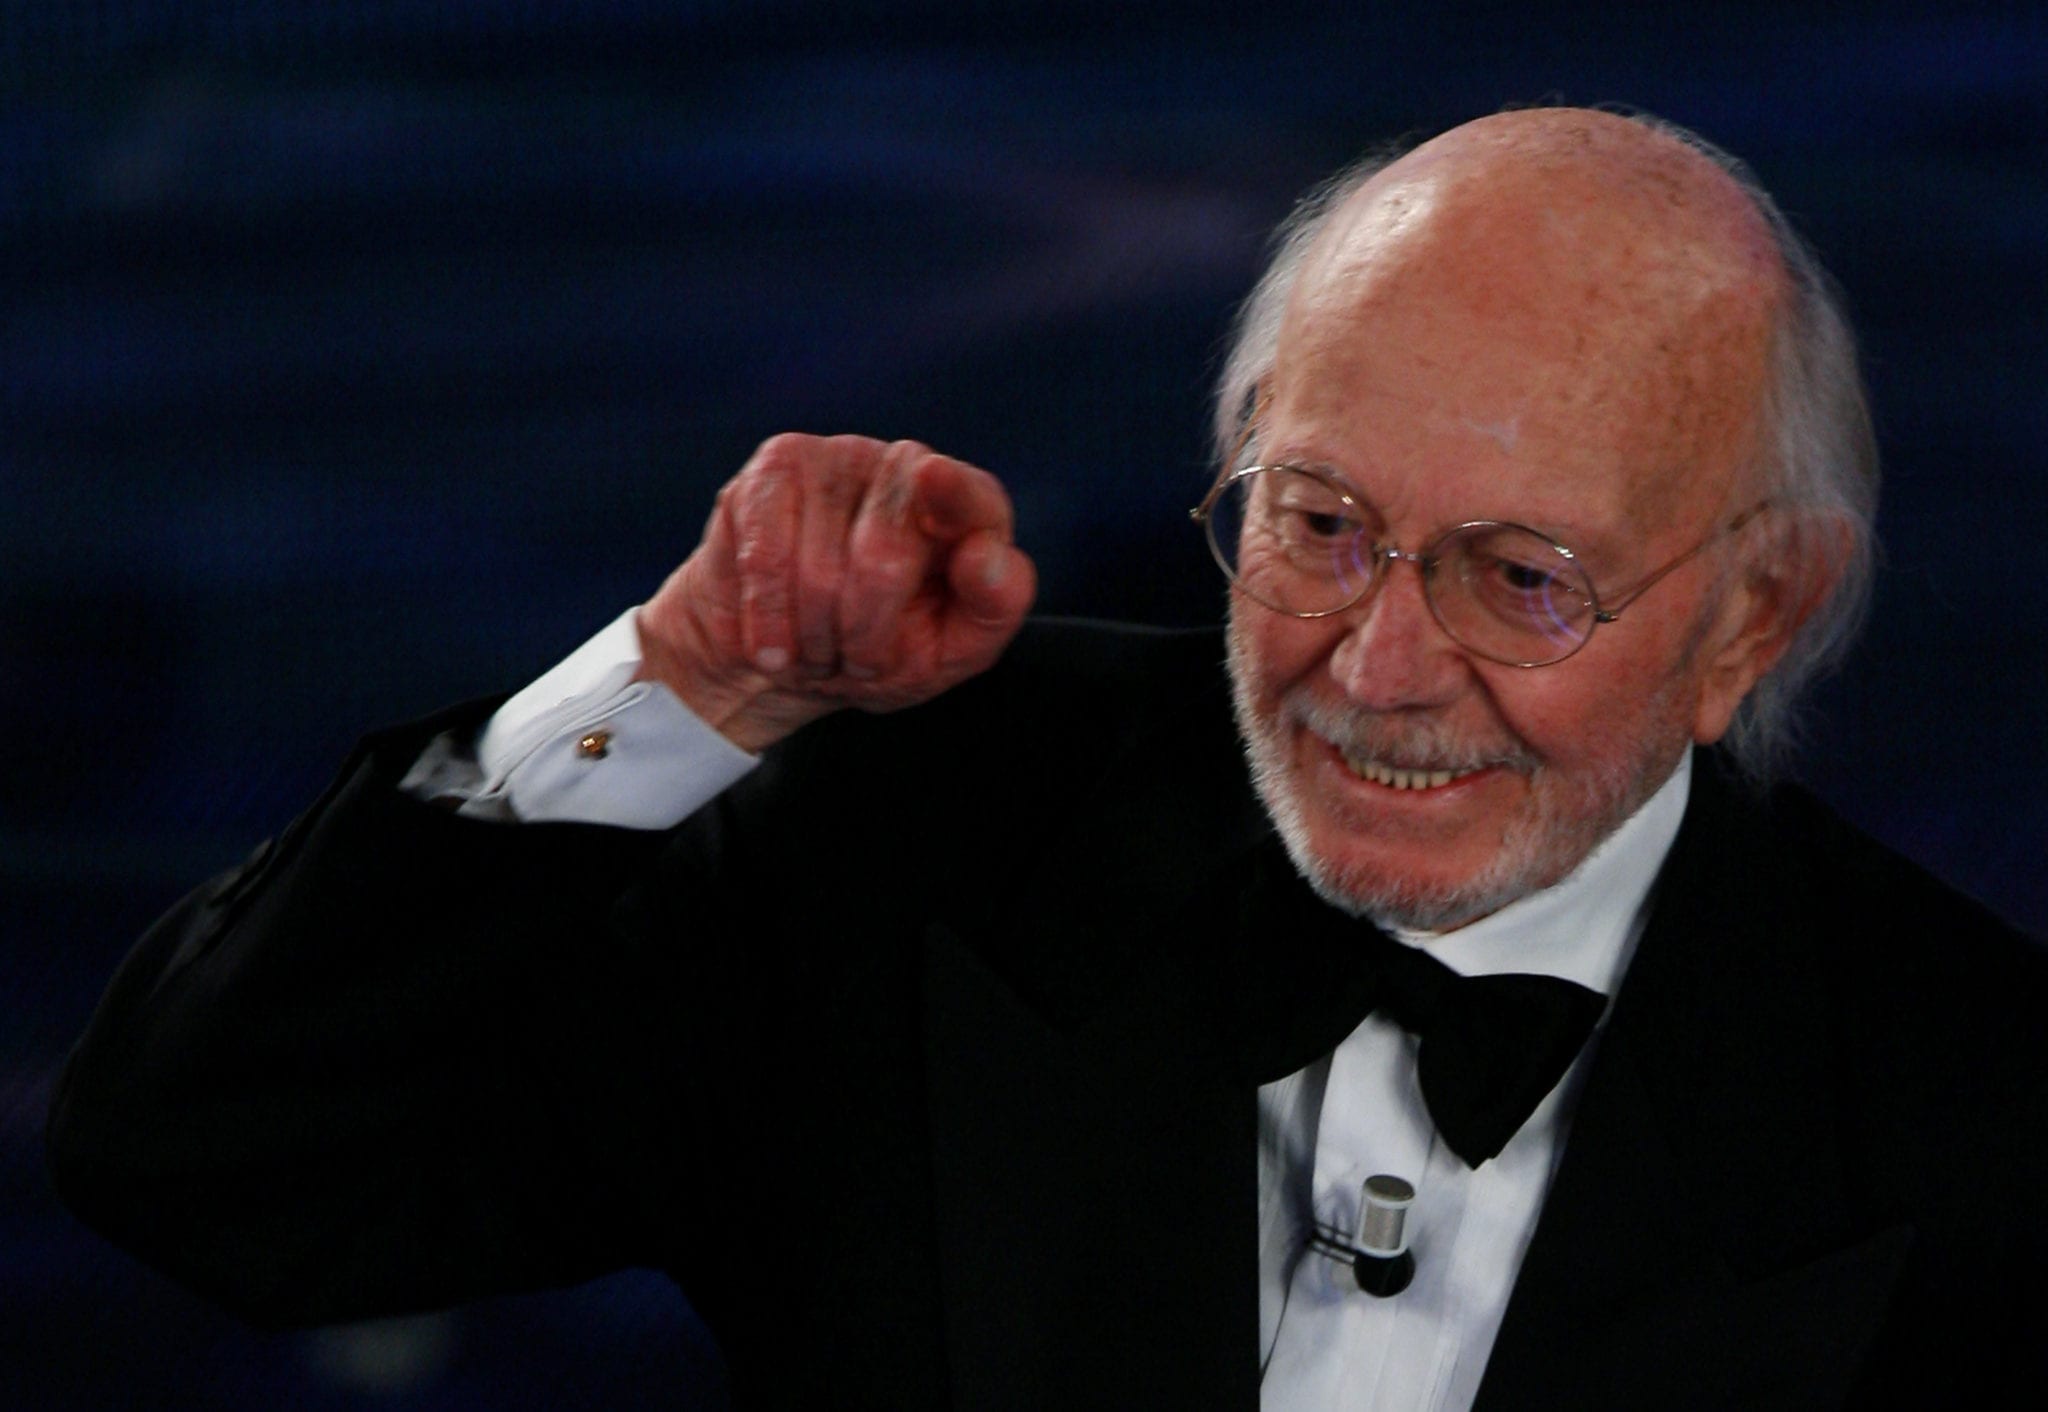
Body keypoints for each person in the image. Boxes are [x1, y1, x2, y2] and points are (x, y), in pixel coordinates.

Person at [46, 107, 2048, 1410]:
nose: (1373, 664)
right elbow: (213, 1167)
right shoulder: (915, 824)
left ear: (1752, 616)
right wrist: (681, 687)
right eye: (1316, 521)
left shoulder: (1976, 1115)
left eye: (1520, 577)